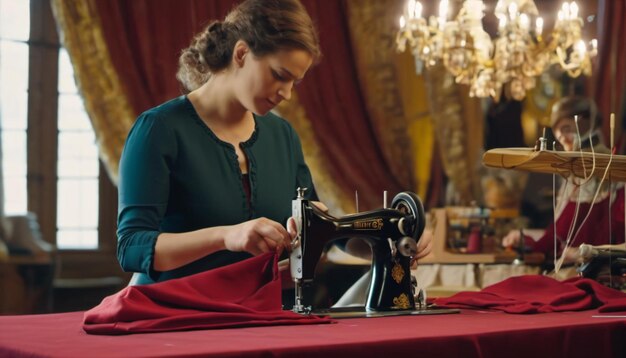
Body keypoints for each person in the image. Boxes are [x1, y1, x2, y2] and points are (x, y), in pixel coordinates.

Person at [116, 0, 433, 290]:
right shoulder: (158, 129)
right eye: (279, 76)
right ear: (241, 53)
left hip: (254, 317)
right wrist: (229, 236)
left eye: (294, 82)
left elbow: (322, 231)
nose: (287, 94)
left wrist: (391, 242)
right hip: (169, 317)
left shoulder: (282, 136)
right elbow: (132, 248)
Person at [501, 96, 625, 265]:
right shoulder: (573, 171)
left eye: (566, 129)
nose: (561, 138)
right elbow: (559, 235)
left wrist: (583, 254)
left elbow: (611, 239)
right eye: (557, 132)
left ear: (584, 125)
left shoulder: (609, 173)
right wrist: (525, 240)